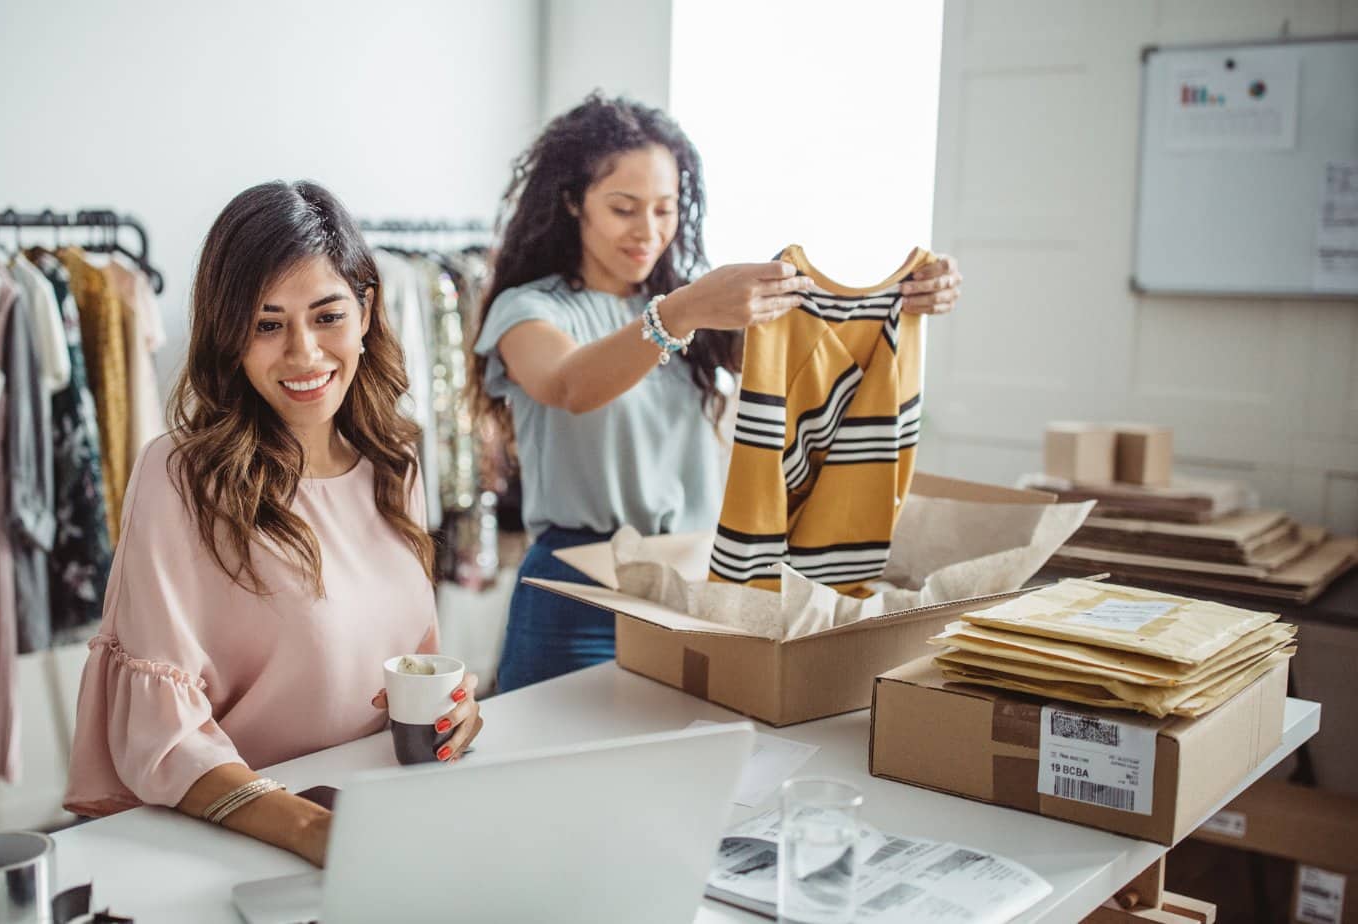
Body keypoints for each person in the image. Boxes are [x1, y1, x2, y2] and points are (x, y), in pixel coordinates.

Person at [470, 94, 963, 693]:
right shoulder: (530, 309)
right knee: (549, 770)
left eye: (664, 208)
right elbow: (570, 385)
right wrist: (681, 313)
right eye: (623, 208)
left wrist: (904, 298)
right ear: (573, 202)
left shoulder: (696, 309)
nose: (647, 232)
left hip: (693, 584)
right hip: (578, 592)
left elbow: (816, 354)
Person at [64, 181, 483, 867]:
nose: (304, 355)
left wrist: (454, 711)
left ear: (367, 310)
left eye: (327, 317)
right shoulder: (180, 478)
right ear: (230, 335)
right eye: (267, 324)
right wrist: (314, 832)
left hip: (384, 818)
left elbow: (410, 663)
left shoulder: (394, 459)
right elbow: (162, 737)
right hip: (239, 842)